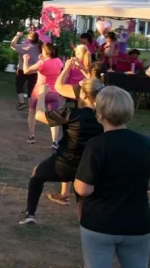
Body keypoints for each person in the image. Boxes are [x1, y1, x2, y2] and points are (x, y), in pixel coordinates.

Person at [74, 86, 150, 268]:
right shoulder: (146, 143)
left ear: (100, 113)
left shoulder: (96, 145)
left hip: (100, 223)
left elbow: (84, 188)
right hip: (138, 223)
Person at [18, 66, 104, 226]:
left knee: (37, 176)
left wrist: (42, 95)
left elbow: (39, 115)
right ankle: (86, 223)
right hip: (88, 167)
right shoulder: (104, 117)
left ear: (83, 94)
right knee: (81, 194)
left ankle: (30, 214)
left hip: (63, 164)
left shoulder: (71, 114)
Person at [22, 43, 63, 146]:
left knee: (32, 112)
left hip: (39, 91)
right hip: (54, 92)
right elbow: (51, 64)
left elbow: (26, 71)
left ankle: (31, 136)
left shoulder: (41, 63)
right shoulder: (59, 61)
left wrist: (25, 60)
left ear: (46, 52)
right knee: (54, 117)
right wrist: (42, 59)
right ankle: (54, 141)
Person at [11, 31, 41, 110]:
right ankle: (31, 106)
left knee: (19, 85)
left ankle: (22, 103)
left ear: (30, 38)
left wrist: (17, 35)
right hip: (34, 70)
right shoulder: (40, 47)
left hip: (22, 69)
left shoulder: (24, 46)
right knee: (31, 88)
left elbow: (12, 44)